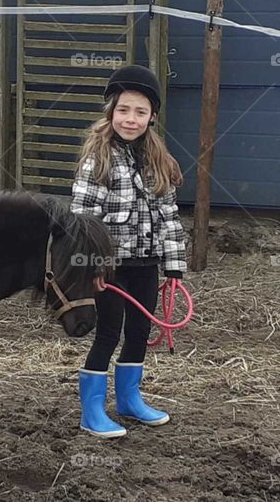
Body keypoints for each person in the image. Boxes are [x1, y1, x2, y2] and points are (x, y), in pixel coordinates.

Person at [70, 64, 187, 438]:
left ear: (152, 116)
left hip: (146, 263)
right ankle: (91, 410)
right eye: (123, 110)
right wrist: (93, 268)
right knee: (108, 332)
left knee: (138, 331)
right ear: (111, 112)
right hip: (111, 268)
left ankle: (128, 399)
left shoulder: (159, 162)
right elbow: (84, 220)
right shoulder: (98, 159)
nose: (130, 119)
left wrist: (173, 267)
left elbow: (169, 215)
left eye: (139, 112)